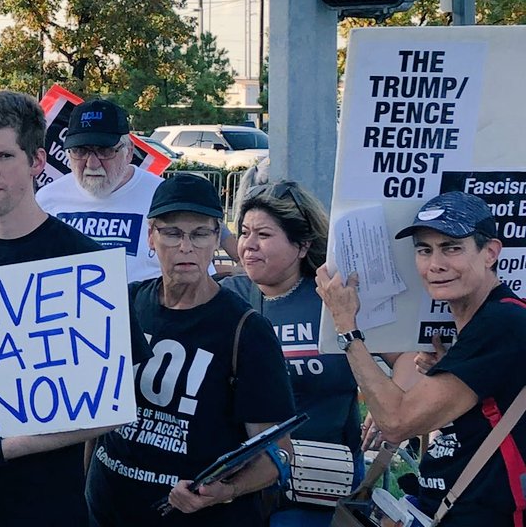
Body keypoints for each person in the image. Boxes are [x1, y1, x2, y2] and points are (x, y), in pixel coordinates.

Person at [0, 90, 148, 527]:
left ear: (37, 161)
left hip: (48, 506)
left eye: (4, 155)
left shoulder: (83, 262)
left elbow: (115, 405)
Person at [86, 173, 296, 526]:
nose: (186, 247)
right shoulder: (125, 302)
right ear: (151, 236)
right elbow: (97, 418)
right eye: (172, 233)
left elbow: (278, 453)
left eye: (199, 234)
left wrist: (226, 490)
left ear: (216, 237)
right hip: (108, 509)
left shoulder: (245, 329)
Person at [317, 190, 526, 526]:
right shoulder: (482, 323)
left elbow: (397, 422)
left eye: (451, 248)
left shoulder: (502, 323)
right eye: (424, 250)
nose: (435, 265)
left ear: (490, 253)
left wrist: (346, 327)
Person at [222, 181, 413, 525]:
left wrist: (391, 410)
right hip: (241, 481)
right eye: (245, 232)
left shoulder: (333, 298)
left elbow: (407, 361)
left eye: (263, 235)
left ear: (302, 245)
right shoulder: (227, 297)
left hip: (319, 484)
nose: (248, 245)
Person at [36, 99, 165, 283]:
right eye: (80, 151)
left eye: (104, 151)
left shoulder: (161, 196)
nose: (92, 163)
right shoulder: (47, 199)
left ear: (128, 152)